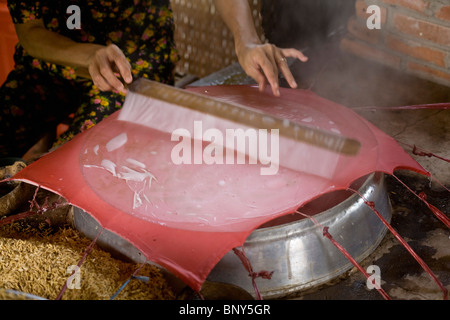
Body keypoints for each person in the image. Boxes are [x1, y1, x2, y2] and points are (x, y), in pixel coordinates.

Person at [0, 0, 307, 160]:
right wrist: (89, 54)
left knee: (75, 165)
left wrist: (247, 41)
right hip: (51, 64)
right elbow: (31, 32)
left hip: (133, 70)